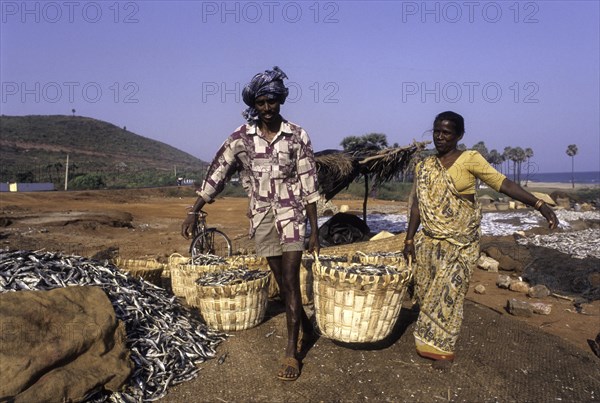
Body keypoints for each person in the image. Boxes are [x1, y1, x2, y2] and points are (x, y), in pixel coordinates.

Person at [181, 66, 320, 381]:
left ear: (281, 100)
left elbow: (310, 184)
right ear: (254, 104)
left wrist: (314, 230)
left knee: (291, 278)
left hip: (292, 216)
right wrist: (194, 208)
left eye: (272, 101)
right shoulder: (241, 137)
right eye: (261, 102)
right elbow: (219, 170)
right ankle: (305, 326)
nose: (267, 108)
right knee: (281, 281)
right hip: (263, 218)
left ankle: (290, 351)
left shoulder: (298, 135)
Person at [403, 111, 558, 364]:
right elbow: (417, 207)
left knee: (450, 293)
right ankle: (426, 342)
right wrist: (409, 240)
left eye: (446, 133)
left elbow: (503, 183)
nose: (440, 137)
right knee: (430, 293)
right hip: (430, 244)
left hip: (461, 244)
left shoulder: (470, 159)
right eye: (436, 131)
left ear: (459, 135)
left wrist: (539, 204)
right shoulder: (424, 166)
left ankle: (442, 349)